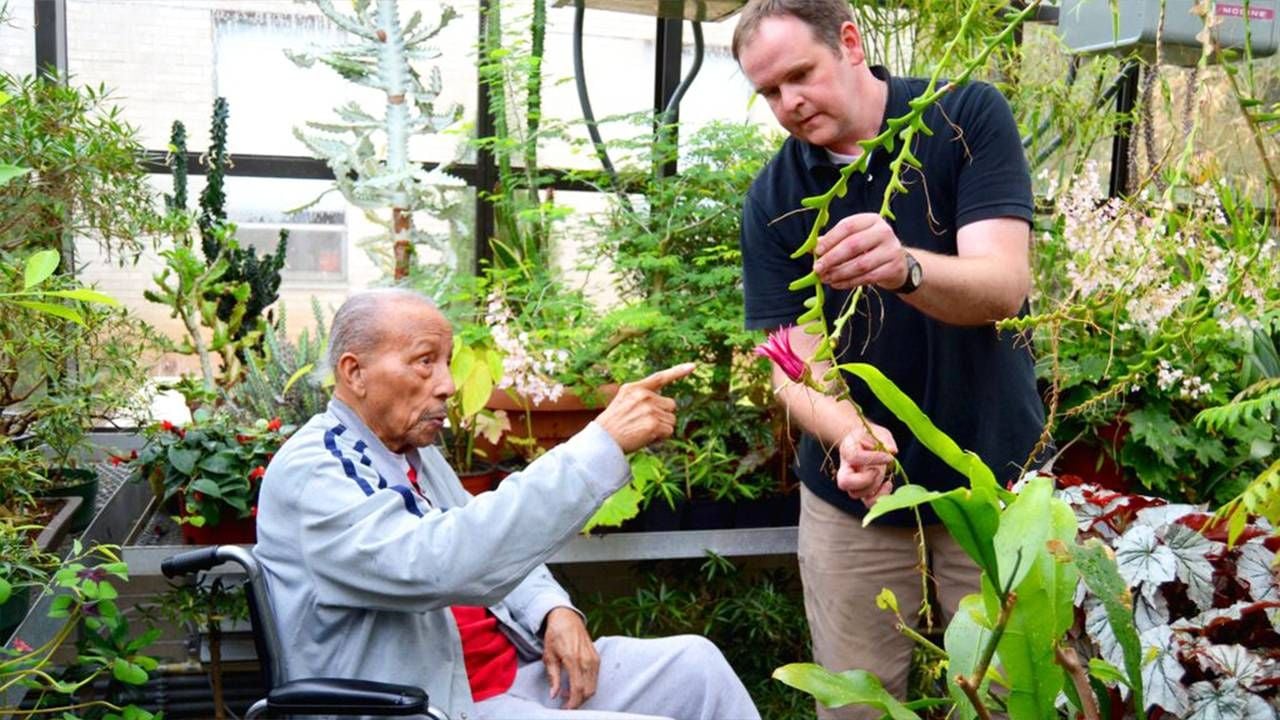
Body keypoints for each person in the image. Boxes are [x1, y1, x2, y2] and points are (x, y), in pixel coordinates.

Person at [733, 1, 1045, 717]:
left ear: (849, 42)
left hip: (990, 476)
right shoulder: (776, 198)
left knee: (1012, 697)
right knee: (856, 705)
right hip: (854, 504)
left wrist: (905, 268)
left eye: (799, 75)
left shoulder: (964, 115)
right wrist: (847, 431)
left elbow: (1004, 285)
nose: (790, 103)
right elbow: (789, 363)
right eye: (770, 92)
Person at [253, 288, 761, 720]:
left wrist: (552, 609)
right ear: (354, 373)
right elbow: (444, 564)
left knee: (698, 666)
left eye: (446, 363)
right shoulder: (316, 472)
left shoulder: (412, 454)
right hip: (433, 703)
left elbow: (489, 535)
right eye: (424, 362)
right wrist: (598, 445)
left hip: (511, 673)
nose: (449, 385)